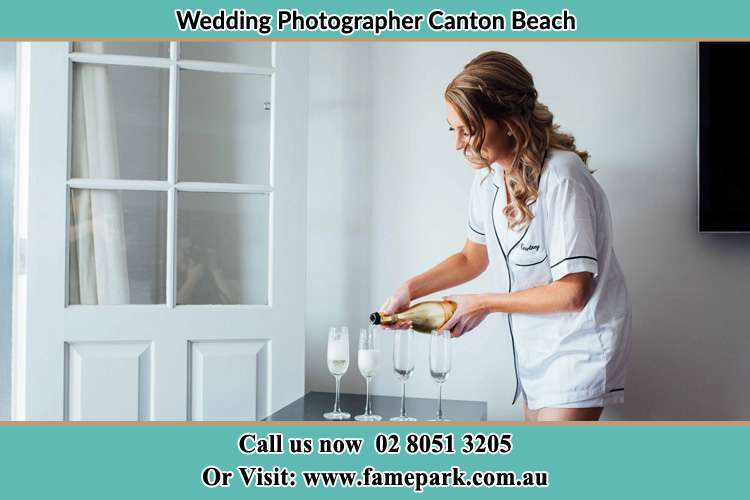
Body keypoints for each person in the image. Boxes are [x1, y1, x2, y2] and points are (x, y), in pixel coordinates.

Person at [379, 51, 631, 422]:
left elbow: (573, 293)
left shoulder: (562, 176)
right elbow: (471, 258)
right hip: (533, 352)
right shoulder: (488, 179)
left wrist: (481, 303)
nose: (458, 143)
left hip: (578, 348)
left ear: (508, 121)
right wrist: (410, 290)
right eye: (453, 129)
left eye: (469, 128)